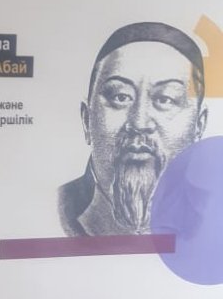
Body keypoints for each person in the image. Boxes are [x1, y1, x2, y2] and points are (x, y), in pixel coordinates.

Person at [58, 21, 208, 236]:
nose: (139, 123)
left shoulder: (214, 214)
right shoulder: (53, 210)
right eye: (120, 97)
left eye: (165, 99)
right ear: (87, 119)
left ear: (199, 125)